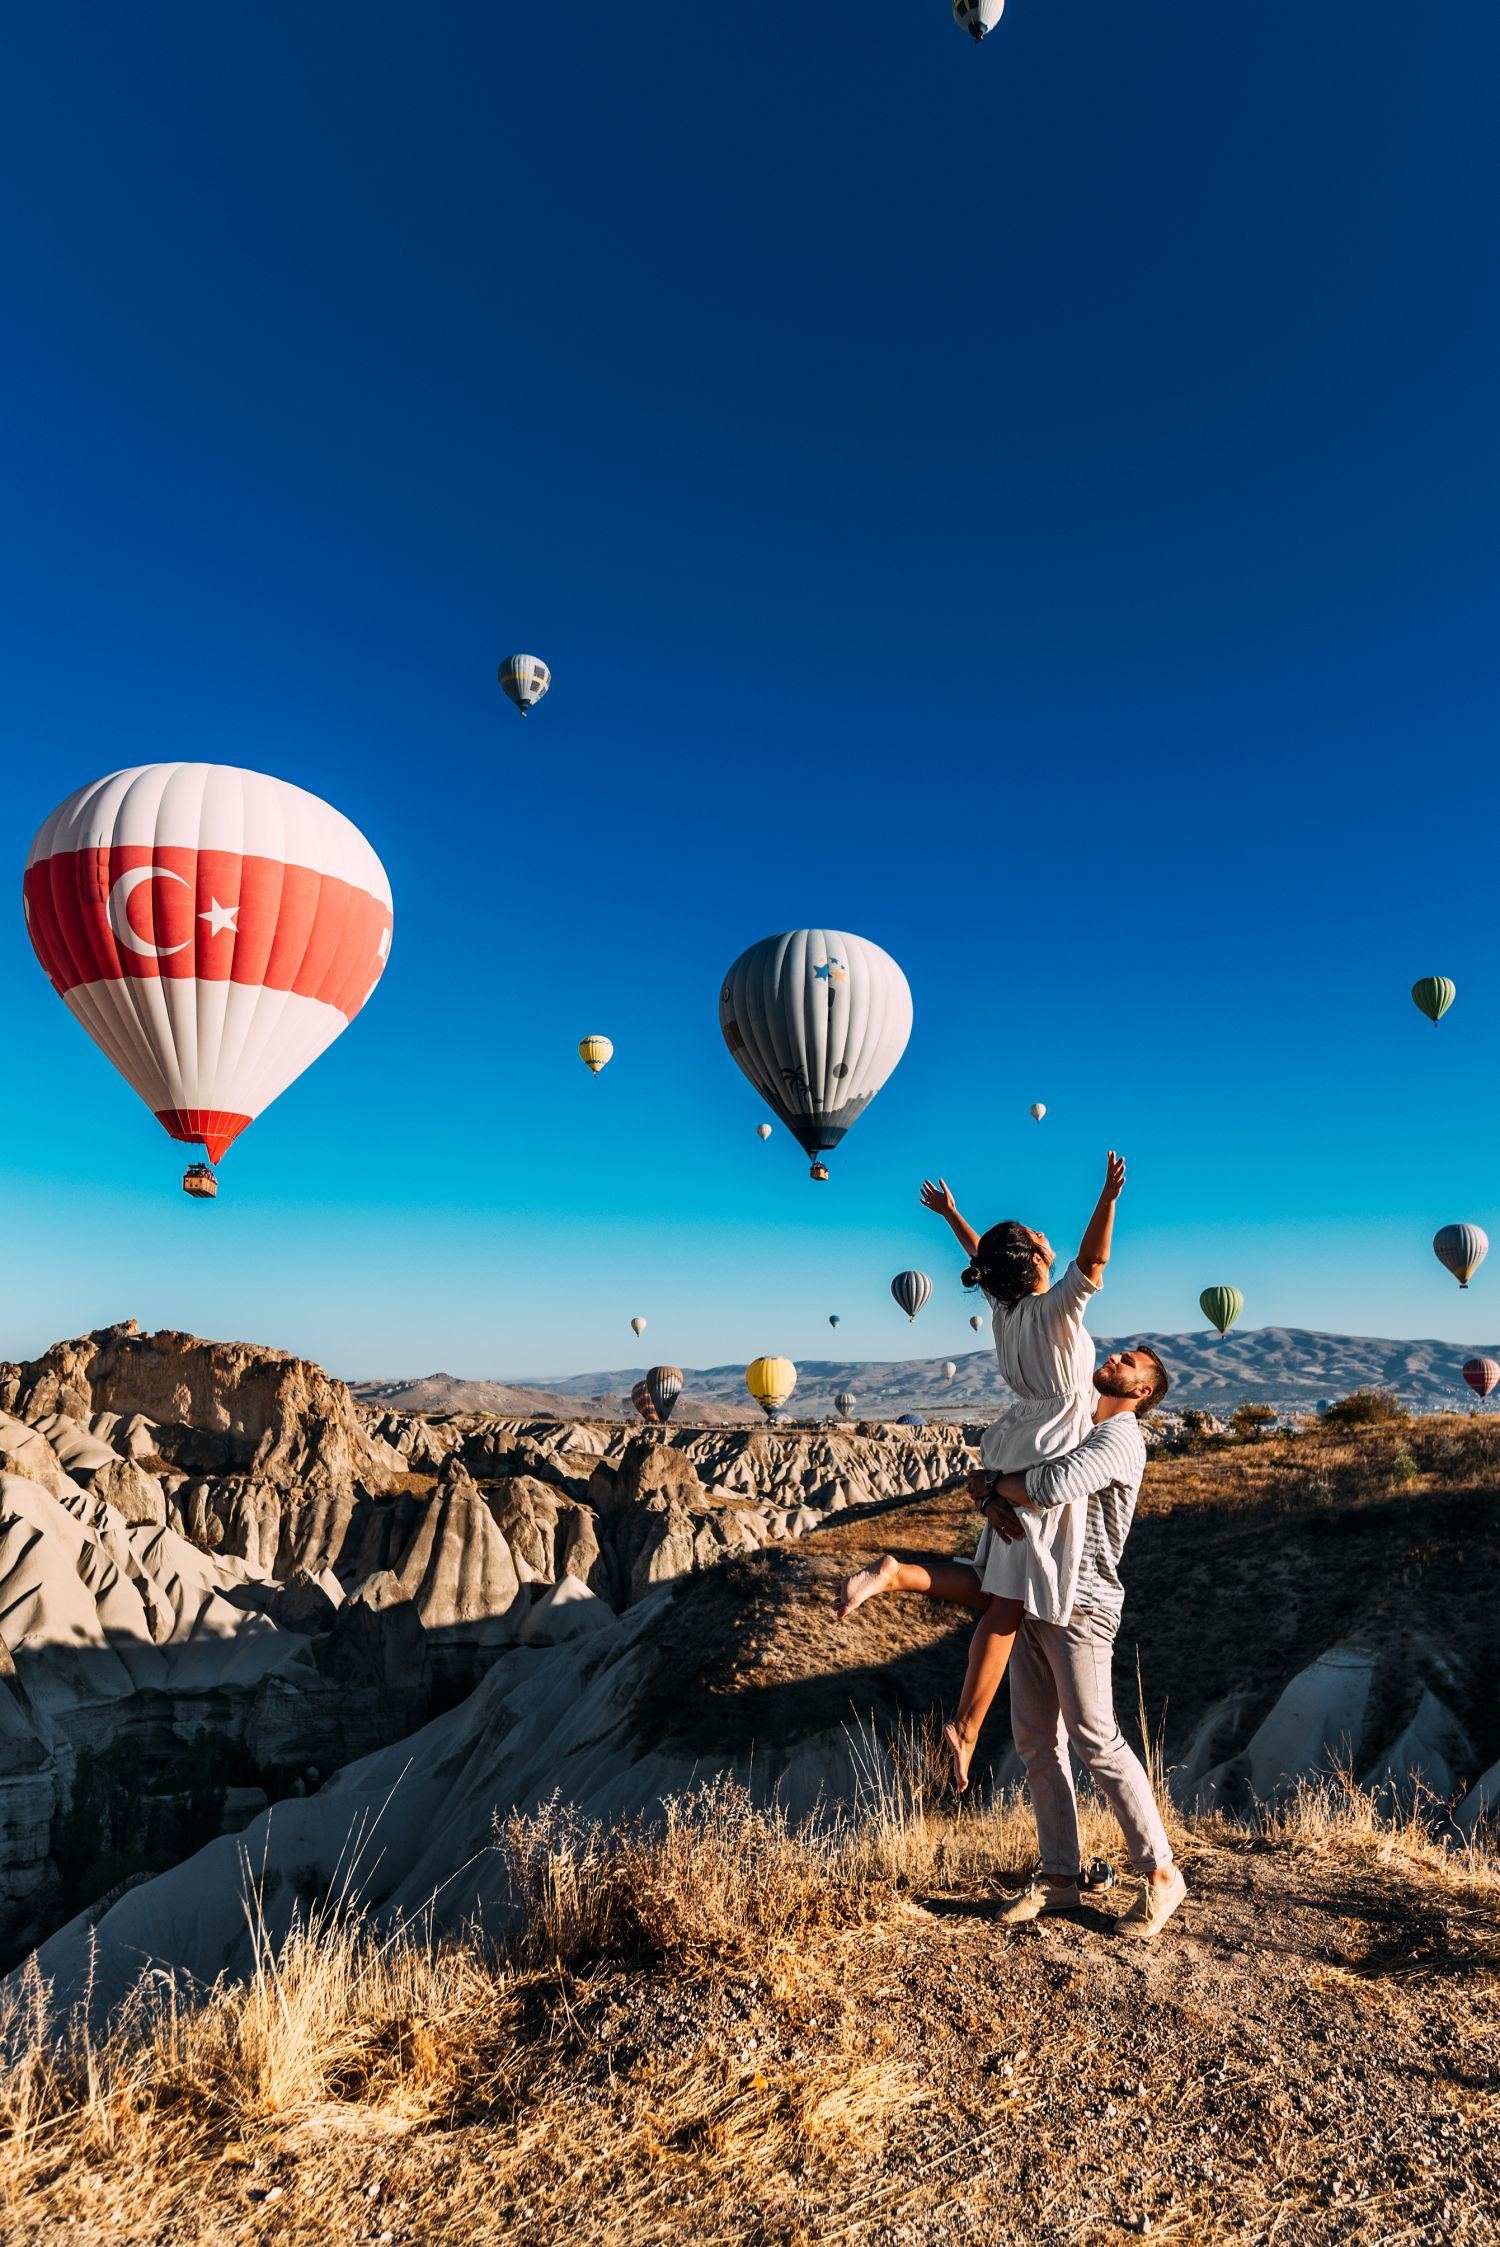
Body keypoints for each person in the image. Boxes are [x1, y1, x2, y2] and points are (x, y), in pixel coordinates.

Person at [837, 1152, 1127, 1789]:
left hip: (1015, 1443)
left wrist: (951, 1216)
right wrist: (1106, 1198)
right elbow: (1094, 1261)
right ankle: (965, 1729)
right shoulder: (1057, 1310)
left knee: (997, 1589)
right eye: (1040, 1241)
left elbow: (985, 1261)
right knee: (1011, 1603)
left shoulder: (1004, 1313)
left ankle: (898, 1573)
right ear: (1035, 1264)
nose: (1050, 1241)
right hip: (1052, 1449)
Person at [982, 1348, 1187, 1940]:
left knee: (1097, 1739)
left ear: (1144, 1391)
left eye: (1132, 1362)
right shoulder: (1074, 1427)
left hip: (1084, 1606)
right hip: (1033, 1597)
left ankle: (1161, 1873)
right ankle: (1060, 1878)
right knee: (1035, 1741)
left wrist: (996, 1485)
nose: (1116, 1355)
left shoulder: (1121, 1439)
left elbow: (1050, 1485)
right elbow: (1003, 1466)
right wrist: (991, 1490)